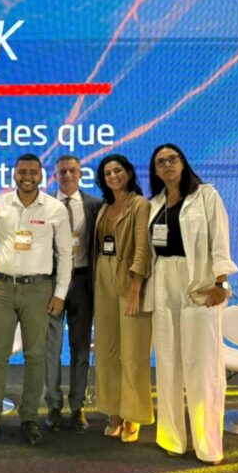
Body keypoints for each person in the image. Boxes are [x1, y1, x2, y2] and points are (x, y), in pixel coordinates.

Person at [0, 154, 72, 448]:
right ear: (14, 174)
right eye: (22, 171)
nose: (27, 176)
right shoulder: (0, 206)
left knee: (36, 356)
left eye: (33, 172)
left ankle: (29, 419)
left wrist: (60, 293)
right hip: (2, 288)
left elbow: (66, 253)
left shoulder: (54, 209)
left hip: (40, 290)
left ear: (41, 176)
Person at [147, 143, 238, 465]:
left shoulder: (206, 196)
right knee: (168, 362)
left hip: (198, 282)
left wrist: (221, 283)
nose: (167, 165)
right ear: (155, 170)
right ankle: (171, 438)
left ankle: (208, 445)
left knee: (203, 366)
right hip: (162, 281)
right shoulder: (154, 204)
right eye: (161, 162)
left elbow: (220, 242)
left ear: (183, 163)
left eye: (172, 159)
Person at [92, 153, 153, 443]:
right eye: (108, 173)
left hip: (129, 277)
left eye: (118, 170)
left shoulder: (140, 204)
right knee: (106, 351)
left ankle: (133, 415)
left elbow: (143, 247)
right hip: (102, 276)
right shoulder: (104, 207)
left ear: (128, 173)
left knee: (133, 353)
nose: (113, 176)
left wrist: (135, 287)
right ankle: (114, 411)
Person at [44, 155, 102, 433]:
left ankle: (78, 406)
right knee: (51, 348)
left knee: (80, 347)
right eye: (62, 172)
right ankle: (54, 406)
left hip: (81, 283)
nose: (67, 175)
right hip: (52, 283)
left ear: (80, 174)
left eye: (72, 171)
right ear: (55, 176)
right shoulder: (44, 205)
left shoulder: (95, 205)